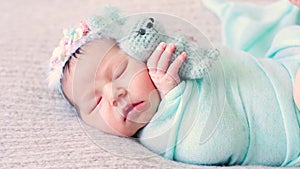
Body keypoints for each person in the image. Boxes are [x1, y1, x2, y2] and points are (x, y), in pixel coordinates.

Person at [48, 0, 300, 166]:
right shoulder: (158, 138)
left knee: (287, 35)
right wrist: (175, 94)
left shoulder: (169, 63)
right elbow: (219, 141)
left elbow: (225, 65)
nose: (114, 94)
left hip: (283, 67)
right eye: (96, 102)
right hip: (292, 125)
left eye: (119, 71)